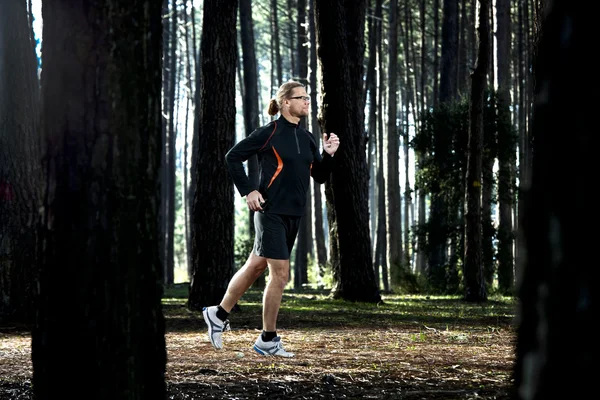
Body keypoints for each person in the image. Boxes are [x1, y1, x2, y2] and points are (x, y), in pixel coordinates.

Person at [202, 81, 340, 357]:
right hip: (270, 212)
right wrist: (249, 190)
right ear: (286, 102)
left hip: (294, 215)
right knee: (280, 275)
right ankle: (268, 339)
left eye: (308, 97)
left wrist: (328, 154)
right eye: (301, 98)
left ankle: (217, 314)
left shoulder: (308, 137)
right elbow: (233, 157)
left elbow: (320, 176)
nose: (307, 102)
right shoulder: (269, 133)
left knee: (255, 267)